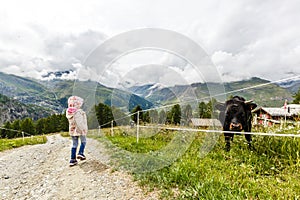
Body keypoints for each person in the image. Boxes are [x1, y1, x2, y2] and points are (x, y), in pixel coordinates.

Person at [66, 96, 88, 166]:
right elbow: (79, 122)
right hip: (80, 130)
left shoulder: (69, 112)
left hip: (72, 130)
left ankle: (72, 159)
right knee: (83, 141)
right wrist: (83, 129)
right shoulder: (78, 112)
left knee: (74, 144)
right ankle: (80, 153)